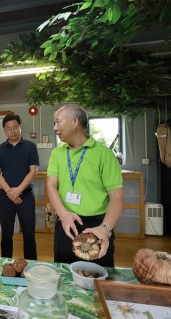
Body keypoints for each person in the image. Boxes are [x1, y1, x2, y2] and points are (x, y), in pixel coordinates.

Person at [47, 104, 123, 266]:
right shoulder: (57, 154)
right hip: (66, 222)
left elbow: (116, 197)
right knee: (64, 274)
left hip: (97, 225)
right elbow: (51, 186)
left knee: (99, 276)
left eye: (58, 122)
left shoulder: (104, 154)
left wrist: (105, 228)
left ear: (75, 121)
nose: (55, 128)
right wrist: (63, 214)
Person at [0, 114, 39, 260]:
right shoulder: (0, 149)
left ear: (20, 127)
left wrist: (18, 190)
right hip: (5, 197)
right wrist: (10, 192)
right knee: (6, 234)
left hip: (26, 196)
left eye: (15, 127)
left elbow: (33, 171)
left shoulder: (30, 146)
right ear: (4, 130)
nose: (12, 131)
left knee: (29, 235)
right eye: (8, 129)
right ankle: (5, 264)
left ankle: (31, 266)